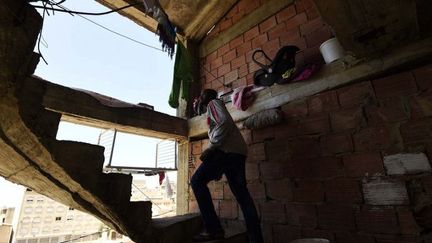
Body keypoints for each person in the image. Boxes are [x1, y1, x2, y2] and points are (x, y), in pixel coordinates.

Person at [191, 89, 264, 243]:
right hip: (237, 153)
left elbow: (223, 122)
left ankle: (213, 229)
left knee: (197, 181)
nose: (200, 97)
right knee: (243, 197)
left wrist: (211, 147)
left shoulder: (213, 103)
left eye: (203, 94)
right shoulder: (215, 107)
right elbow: (222, 124)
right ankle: (256, 239)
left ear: (209, 97)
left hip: (226, 152)